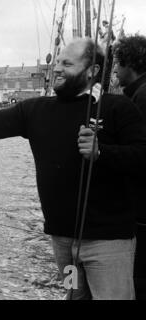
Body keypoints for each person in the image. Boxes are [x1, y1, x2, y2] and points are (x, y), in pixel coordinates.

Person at [0, 38, 146, 300]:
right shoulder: (36, 110)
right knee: (74, 297)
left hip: (108, 243)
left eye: (66, 63)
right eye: (57, 61)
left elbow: (142, 157)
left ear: (92, 71)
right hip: (63, 243)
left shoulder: (117, 108)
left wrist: (102, 152)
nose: (56, 68)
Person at [113, 34, 146, 300]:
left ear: (129, 64)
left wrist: (100, 152)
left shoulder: (141, 98)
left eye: (117, 63)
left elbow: (139, 153)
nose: (114, 69)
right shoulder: (137, 94)